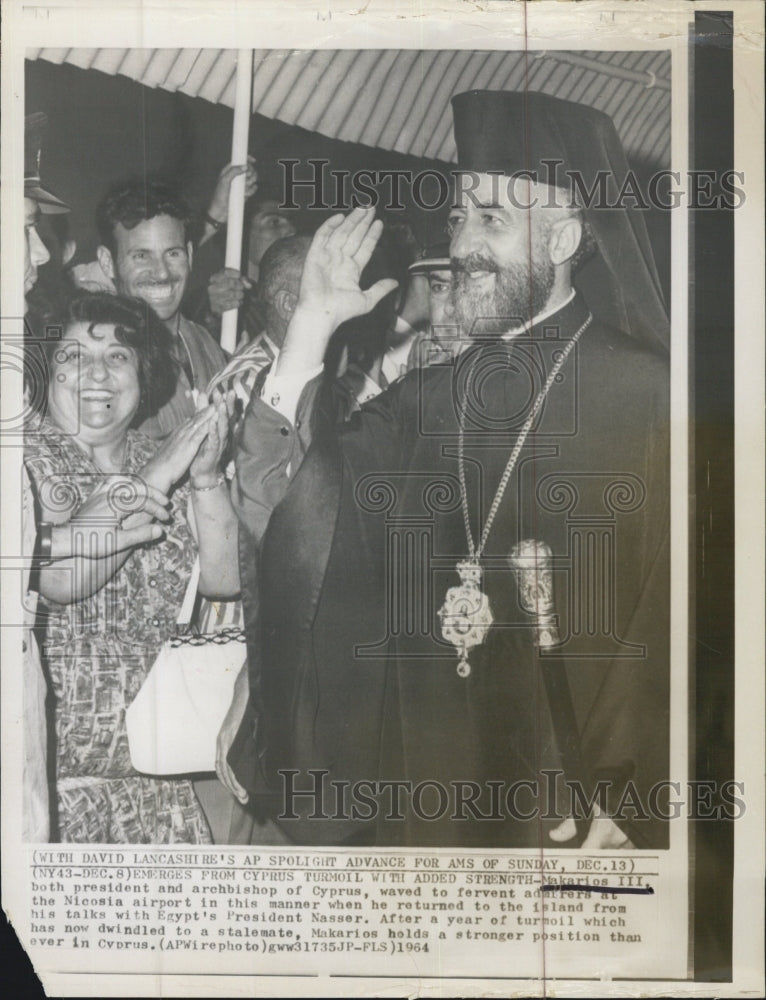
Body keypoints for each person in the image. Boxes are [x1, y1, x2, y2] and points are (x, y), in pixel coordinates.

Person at [227, 90, 670, 849]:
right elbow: (290, 504)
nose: (463, 242)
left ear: (563, 237)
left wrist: (635, 799)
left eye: (493, 218)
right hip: (423, 788)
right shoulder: (428, 397)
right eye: (461, 215)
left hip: (572, 806)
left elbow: (684, 623)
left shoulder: (653, 396)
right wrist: (310, 328)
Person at [24, 291, 239, 843]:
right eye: (72, 356)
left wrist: (207, 476)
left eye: (118, 357)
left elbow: (226, 581)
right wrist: (160, 479)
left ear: (144, 375)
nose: (97, 373)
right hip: (58, 790)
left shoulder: (155, 454)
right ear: (46, 372)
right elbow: (61, 580)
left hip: (159, 789)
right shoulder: (23, 460)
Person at [95, 178, 228, 439]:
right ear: (108, 262)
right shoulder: (104, 364)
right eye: (141, 256)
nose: (162, 272)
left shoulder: (203, 341)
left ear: (189, 254)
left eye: (173, 253)